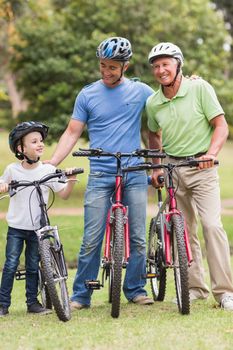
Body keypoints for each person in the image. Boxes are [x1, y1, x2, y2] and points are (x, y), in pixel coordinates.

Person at [48, 37, 155, 310]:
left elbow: (159, 120)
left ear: (126, 66)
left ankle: (136, 289)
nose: (106, 72)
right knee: (91, 238)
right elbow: (72, 132)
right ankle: (81, 295)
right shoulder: (87, 94)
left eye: (112, 67)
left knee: (139, 236)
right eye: (102, 66)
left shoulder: (142, 92)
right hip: (100, 174)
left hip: (133, 170)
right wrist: (52, 162)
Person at [146, 42, 233, 310]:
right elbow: (153, 134)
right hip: (173, 169)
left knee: (211, 225)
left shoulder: (199, 88)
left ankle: (225, 292)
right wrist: (157, 166)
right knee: (183, 231)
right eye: (157, 66)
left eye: (166, 64)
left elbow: (220, 125)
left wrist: (211, 153)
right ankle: (195, 288)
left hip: (202, 167)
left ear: (178, 64)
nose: (161, 70)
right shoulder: (153, 102)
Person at [0, 121, 78, 317]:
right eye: (34, 141)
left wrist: (70, 181)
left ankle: (32, 303)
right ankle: (3, 304)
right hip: (17, 227)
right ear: (21, 148)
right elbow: (2, 182)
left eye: (41, 140)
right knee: (10, 264)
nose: (40, 144)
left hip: (38, 228)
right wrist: (2, 186)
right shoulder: (12, 170)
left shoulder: (48, 170)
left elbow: (64, 195)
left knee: (34, 265)